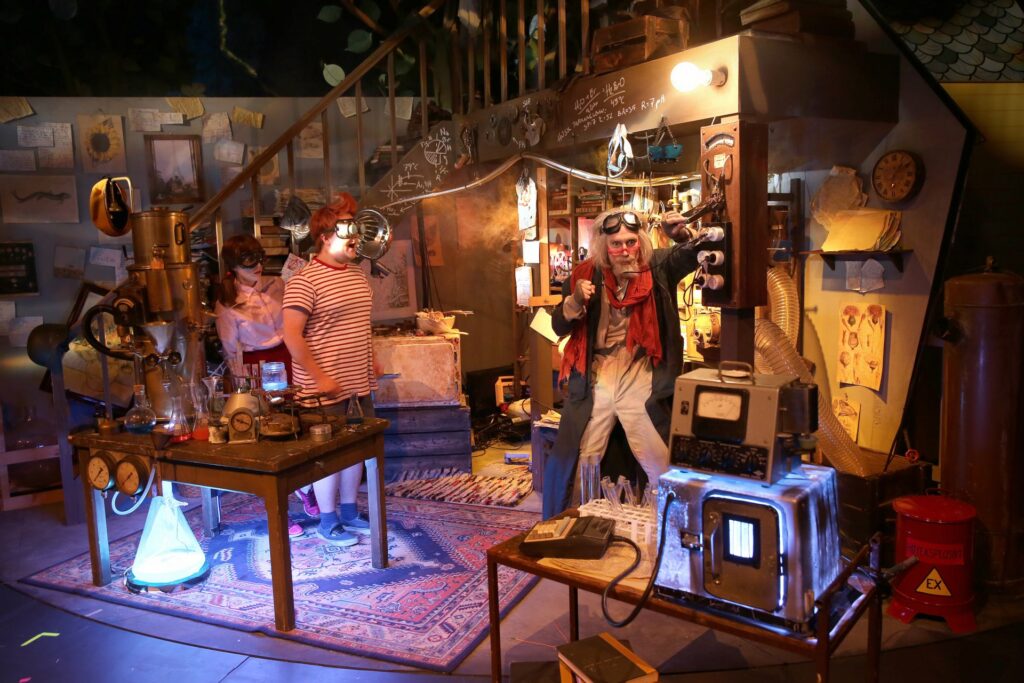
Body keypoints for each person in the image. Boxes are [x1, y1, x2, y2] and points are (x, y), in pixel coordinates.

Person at [542, 208, 697, 519]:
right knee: (584, 454)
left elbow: (693, 255)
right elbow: (558, 326)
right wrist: (575, 301)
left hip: (640, 367)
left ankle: (676, 523)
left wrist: (680, 235)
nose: (625, 250)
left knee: (656, 453)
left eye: (630, 242)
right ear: (604, 246)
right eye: (616, 244)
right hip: (597, 372)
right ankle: (572, 521)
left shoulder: (657, 266)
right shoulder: (584, 275)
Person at [282, 195, 376, 547]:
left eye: (355, 230)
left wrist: (372, 360)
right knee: (327, 457)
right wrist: (320, 377)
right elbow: (292, 335)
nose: (355, 238)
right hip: (321, 390)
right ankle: (327, 520)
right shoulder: (304, 281)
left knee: (356, 451)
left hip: (358, 384)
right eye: (346, 230)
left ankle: (349, 511)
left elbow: (361, 326)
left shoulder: (358, 276)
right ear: (324, 237)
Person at [214, 234, 319, 535]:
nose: (257, 267)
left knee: (300, 425)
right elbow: (230, 349)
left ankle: (306, 488)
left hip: (289, 355)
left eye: (260, 260)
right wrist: (244, 389)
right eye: (249, 264)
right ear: (234, 268)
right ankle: (279, 509)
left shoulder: (277, 283)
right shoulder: (227, 303)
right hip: (257, 367)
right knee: (270, 436)